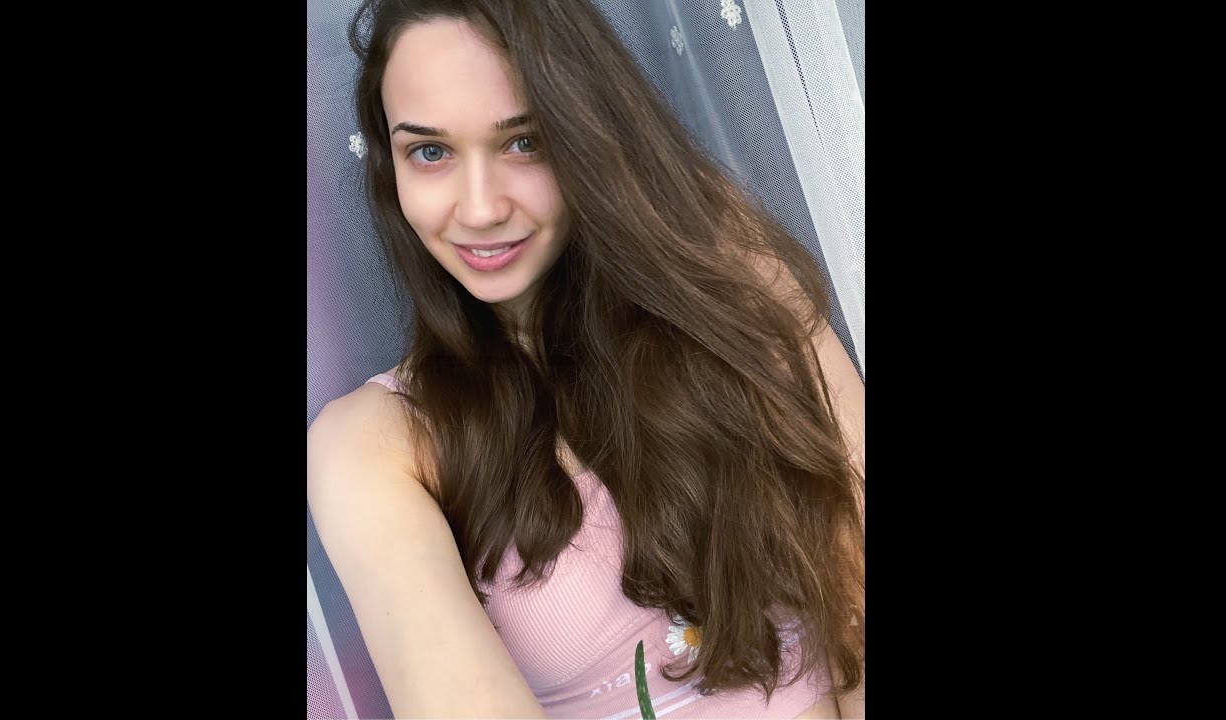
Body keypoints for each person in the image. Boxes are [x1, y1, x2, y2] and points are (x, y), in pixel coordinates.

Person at [307, 1, 865, 717]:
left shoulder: (731, 283)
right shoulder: (375, 443)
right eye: (431, 152)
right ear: (391, 169)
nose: (479, 209)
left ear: (589, 135)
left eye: (524, 142)